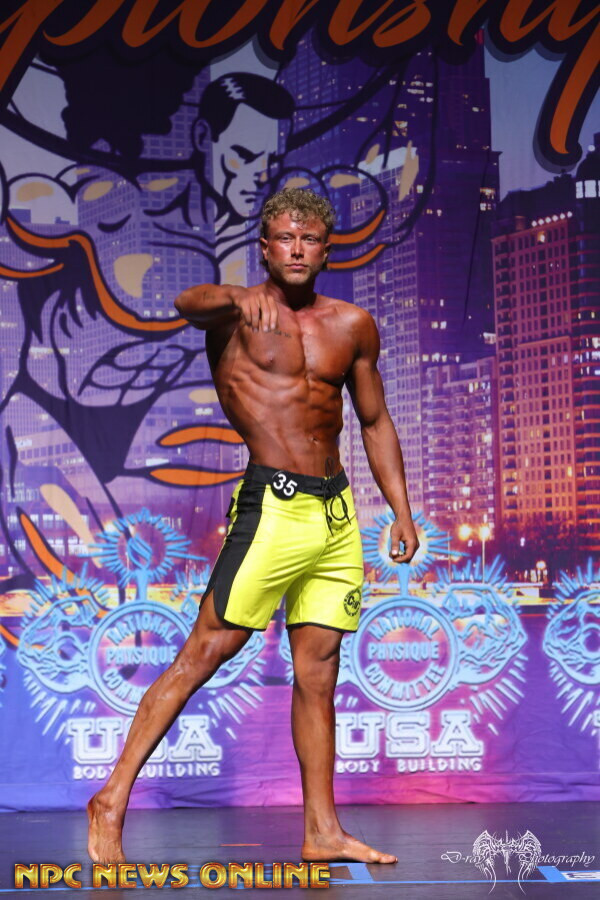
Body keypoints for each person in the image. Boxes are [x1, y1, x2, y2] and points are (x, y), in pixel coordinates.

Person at [87, 187, 419, 865]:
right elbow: (188, 303)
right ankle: (111, 798)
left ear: (326, 249)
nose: (297, 250)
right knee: (207, 650)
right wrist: (237, 298)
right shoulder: (234, 315)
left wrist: (402, 509)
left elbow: (374, 420)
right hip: (273, 506)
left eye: (310, 239)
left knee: (319, 671)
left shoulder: (352, 324)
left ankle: (322, 831)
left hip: (336, 515)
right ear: (265, 248)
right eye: (285, 239)